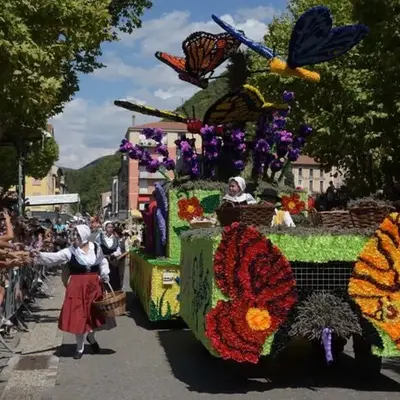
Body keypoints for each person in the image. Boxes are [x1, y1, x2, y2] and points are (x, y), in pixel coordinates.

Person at [33, 225, 111, 360]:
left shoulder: (96, 248)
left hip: (94, 286)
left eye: (77, 235)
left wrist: (104, 273)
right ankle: (80, 348)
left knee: (94, 315)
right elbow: (54, 257)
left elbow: (103, 262)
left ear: (84, 235)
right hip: (77, 287)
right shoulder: (70, 251)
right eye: (74, 234)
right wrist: (39, 255)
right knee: (78, 316)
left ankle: (91, 337)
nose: (74, 237)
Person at [96, 221, 122, 290]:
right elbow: (97, 247)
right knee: (104, 277)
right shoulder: (100, 237)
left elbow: (118, 249)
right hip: (103, 260)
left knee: (114, 278)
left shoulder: (115, 238)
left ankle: (114, 293)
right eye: (108, 227)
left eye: (111, 227)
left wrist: (115, 254)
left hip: (113, 261)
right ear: (105, 228)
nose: (110, 229)